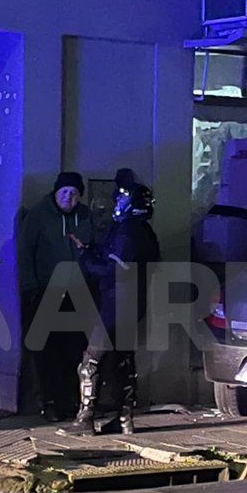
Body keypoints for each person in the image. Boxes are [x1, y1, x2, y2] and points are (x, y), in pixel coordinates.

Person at [76, 181, 161, 435]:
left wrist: (85, 258)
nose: (116, 205)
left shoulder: (127, 232)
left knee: (90, 361)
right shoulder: (145, 231)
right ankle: (125, 419)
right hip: (133, 304)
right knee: (123, 361)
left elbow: (113, 270)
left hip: (116, 303)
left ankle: (84, 419)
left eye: (120, 201)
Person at [17, 172, 95, 422]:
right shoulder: (39, 216)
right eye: (64, 192)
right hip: (45, 292)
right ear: (55, 192)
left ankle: (71, 400)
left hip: (77, 294)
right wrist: (31, 288)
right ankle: (48, 402)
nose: (69, 198)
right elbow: (25, 252)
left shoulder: (85, 217)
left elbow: (93, 248)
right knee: (46, 352)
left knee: (73, 350)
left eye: (74, 194)